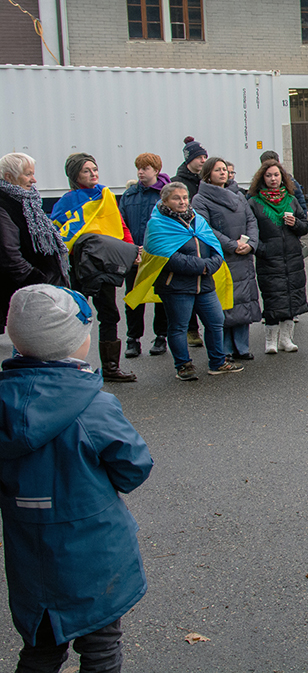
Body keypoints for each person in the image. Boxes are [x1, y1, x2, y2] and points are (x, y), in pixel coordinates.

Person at [0, 284, 154, 672]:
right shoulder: (93, 407)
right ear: (74, 343)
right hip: (93, 550)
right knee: (101, 646)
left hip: (29, 552)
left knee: (41, 647)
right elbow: (133, 467)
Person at [126, 182, 244, 378]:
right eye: (176, 198)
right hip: (175, 285)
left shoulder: (197, 219)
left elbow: (214, 246)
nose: (182, 201)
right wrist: (203, 266)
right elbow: (168, 258)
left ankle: (217, 362)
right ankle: (183, 366)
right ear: (165, 201)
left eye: (184, 197)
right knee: (179, 326)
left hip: (204, 284)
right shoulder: (157, 224)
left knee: (216, 321)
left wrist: (213, 263)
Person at [50, 153, 138, 383]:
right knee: (76, 316)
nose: (93, 174)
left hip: (104, 264)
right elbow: (58, 233)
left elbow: (120, 226)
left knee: (109, 314)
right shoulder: (67, 201)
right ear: (75, 175)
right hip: (78, 266)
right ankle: (71, 365)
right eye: (87, 170)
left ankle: (110, 368)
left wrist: (130, 250)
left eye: (95, 169)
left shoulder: (106, 195)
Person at [192, 157, 261, 361]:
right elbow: (205, 228)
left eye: (225, 170)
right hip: (220, 257)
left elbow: (251, 220)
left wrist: (250, 244)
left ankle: (242, 347)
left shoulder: (238, 195)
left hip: (243, 256)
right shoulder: (200, 199)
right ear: (207, 174)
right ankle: (224, 349)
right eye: (217, 170)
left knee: (242, 302)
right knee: (223, 304)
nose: (223, 173)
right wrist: (232, 245)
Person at [0, 153, 69, 336]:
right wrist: (38, 280)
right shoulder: (5, 206)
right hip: (30, 292)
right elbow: (9, 255)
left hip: (41, 288)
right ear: (9, 177)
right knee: (37, 343)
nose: (34, 179)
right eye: (28, 174)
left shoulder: (28, 201)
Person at [247, 159, 308, 354]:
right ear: (262, 178)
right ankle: (270, 341)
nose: (273, 179)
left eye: (276, 175)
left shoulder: (291, 199)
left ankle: (286, 339)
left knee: (292, 296)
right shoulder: (254, 203)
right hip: (269, 258)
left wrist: (295, 223)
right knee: (273, 298)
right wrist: (262, 250)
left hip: (292, 258)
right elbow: (250, 231)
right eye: (269, 175)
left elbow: (305, 226)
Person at [119, 153, 170, 358]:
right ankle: (133, 339)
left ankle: (160, 336)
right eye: (139, 168)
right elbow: (121, 224)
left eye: (145, 168)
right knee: (133, 298)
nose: (140, 172)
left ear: (156, 170)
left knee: (161, 297)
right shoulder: (130, 195)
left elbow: (170, 225)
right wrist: (131, 248)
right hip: (134, 255)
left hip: (158, 255)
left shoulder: (165, 195)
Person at [172, 137, 208, 347]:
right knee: (188, 287)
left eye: (204, 156)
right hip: (185, 238)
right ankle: (191, 330)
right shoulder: (179, 181)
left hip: (203, 236)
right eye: (199, 157)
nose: (203, 160)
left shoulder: (205, 179)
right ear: (189, 159)